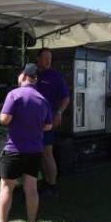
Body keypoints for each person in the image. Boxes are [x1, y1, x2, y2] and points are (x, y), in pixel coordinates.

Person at [0, 64, 53, 222]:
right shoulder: (42, 99)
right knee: (31, 188)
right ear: (35, 79)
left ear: (23, 76)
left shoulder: (14, 95)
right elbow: (48, 126)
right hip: (35, 150)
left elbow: (4, 119)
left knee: (7, 186)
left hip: (15, 149)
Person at [33, 48, 70, 198]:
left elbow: (66, 98)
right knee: (40, 153)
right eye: (45, 58)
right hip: (34, 122)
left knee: (47, 153)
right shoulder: (33, 76)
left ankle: (52, 185)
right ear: (38, 59)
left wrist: (59, 112)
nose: (48, 61)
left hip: (48, 121)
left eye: (50, 58)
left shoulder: (55, 76)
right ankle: (46, 182)